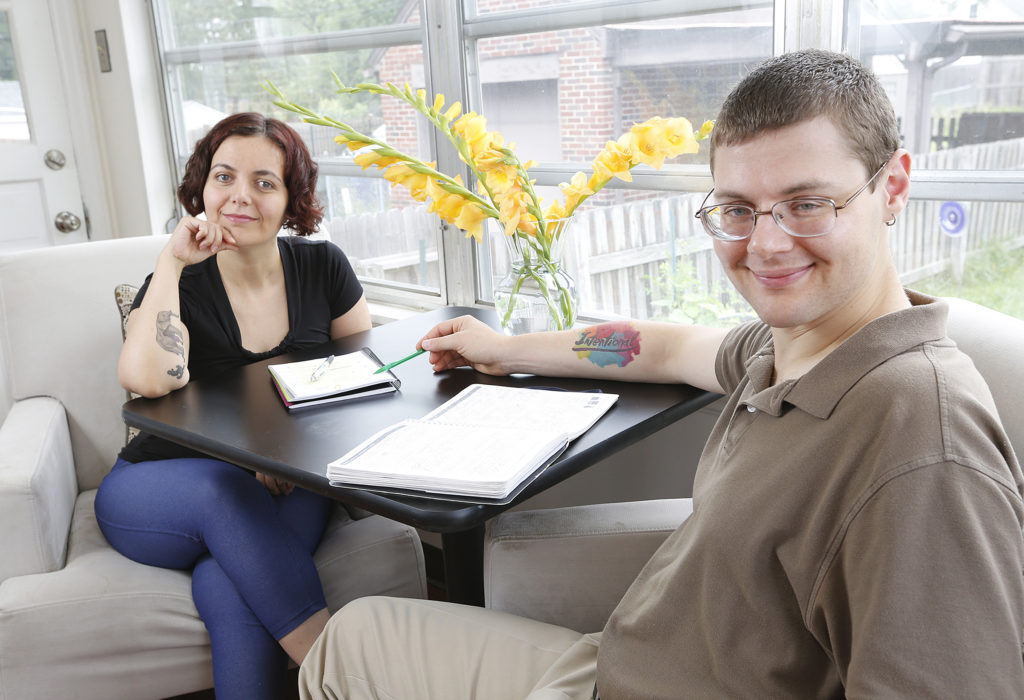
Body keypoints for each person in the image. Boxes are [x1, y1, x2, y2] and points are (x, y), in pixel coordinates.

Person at [297, 49, 1024, 699]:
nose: (765, 244)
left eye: (807, 204)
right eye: (738, 210)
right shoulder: (789, 348)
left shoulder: (922, 441)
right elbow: (663, 346)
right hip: (605, 662)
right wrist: (508, 350)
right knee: (348, 638)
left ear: (892, 187)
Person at [94, 113, 372, 699]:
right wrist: (171, 263)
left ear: (292, 198)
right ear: (202, 187)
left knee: (228, 583)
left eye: (264, 182)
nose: (240, 196)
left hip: (289, 481)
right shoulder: (178, 284)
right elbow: (145, 379)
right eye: (224, 177)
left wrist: (282, 450)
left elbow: (357, 387)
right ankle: (348, 683)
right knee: (224, 489)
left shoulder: (324, 268)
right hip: (160, 488)